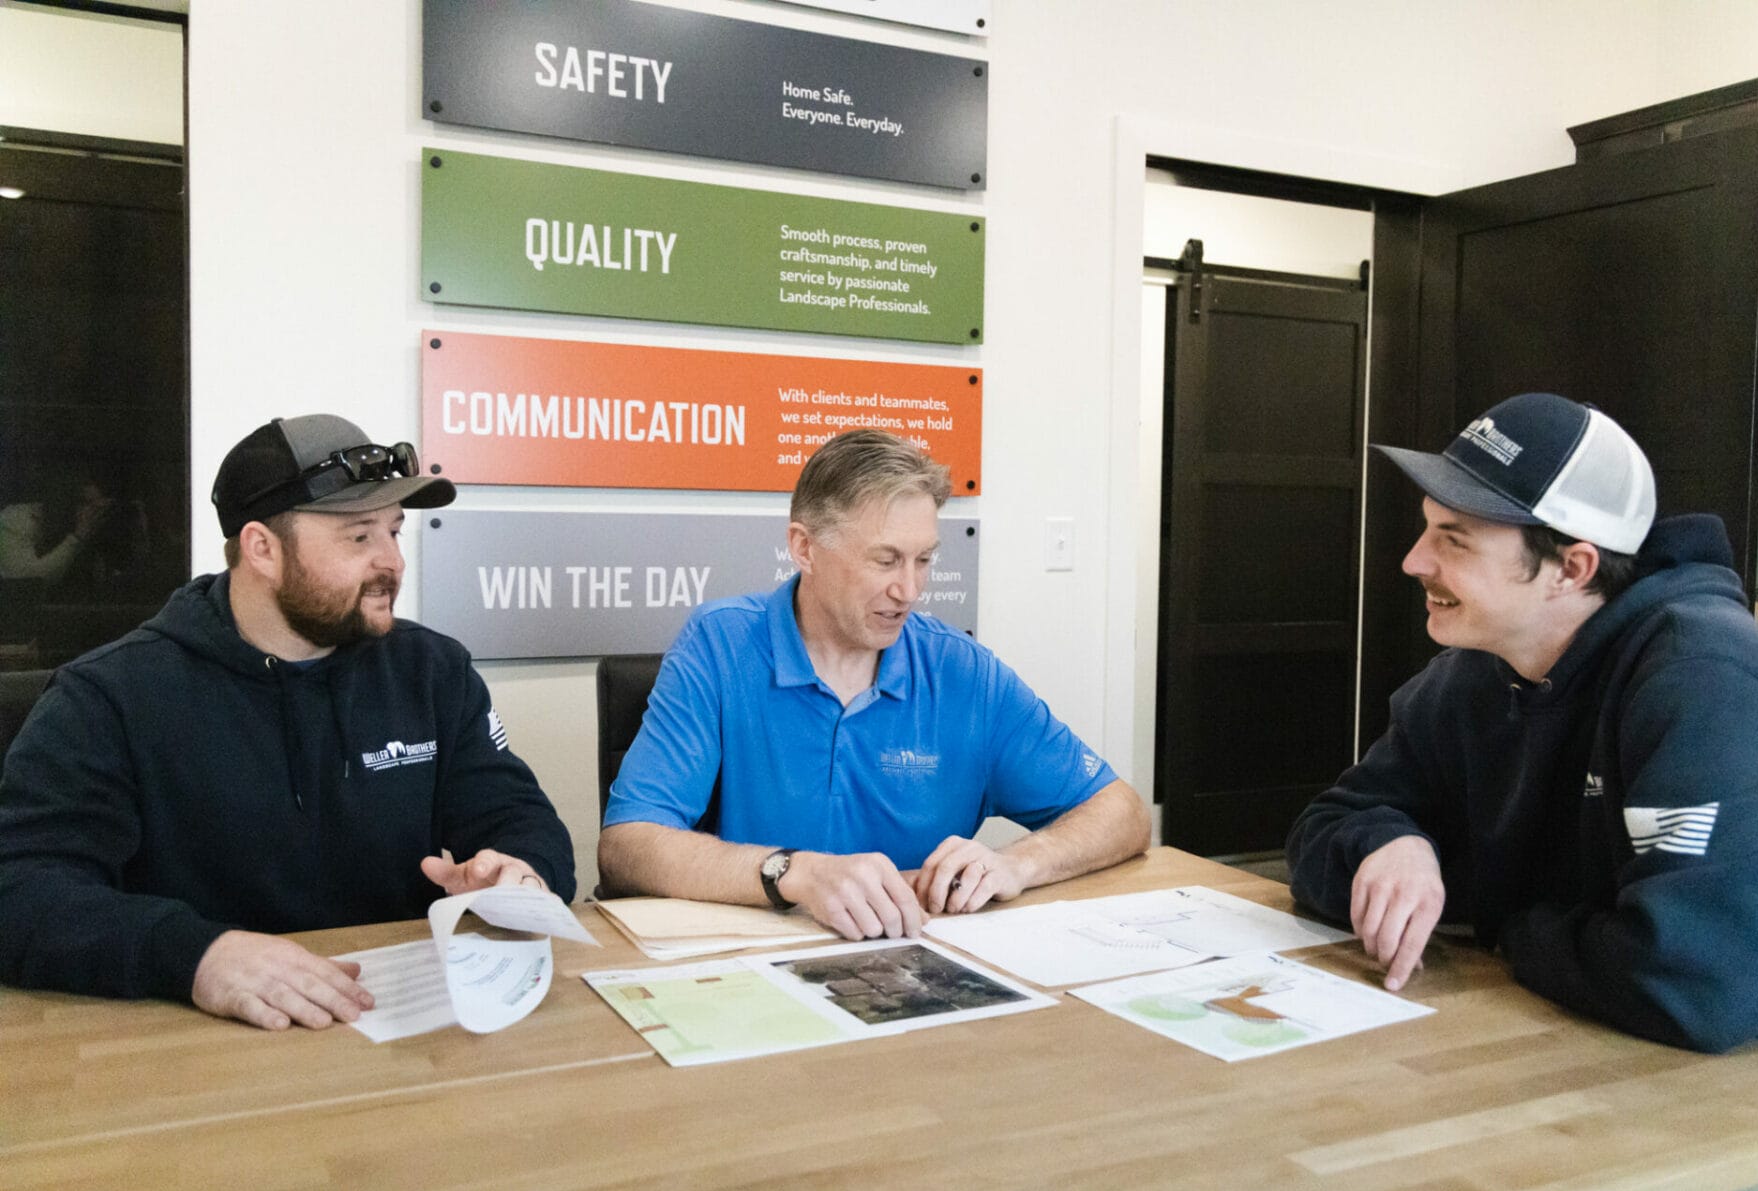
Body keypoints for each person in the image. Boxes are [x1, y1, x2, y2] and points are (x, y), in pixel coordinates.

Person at [0, 415, 576, 1031]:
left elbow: (520, 818)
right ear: (263, 550)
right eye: (359, 538)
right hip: (198, 1041)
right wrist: (197, 954)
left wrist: (515, 871)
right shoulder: (110, 695)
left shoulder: (433, 670)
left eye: (394, 532)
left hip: (401, 1026)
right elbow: (20, 888)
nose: (392, 563)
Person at [1287, 392, 1758, 1053]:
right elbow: (1320, 830)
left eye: (1454, 539)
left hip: (1752, 1102)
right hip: (1569, 1046)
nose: (1414, 561)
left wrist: (1507, 927)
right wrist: (1389, 844)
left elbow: (1691, 987)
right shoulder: (1478, 667)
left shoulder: (1707, 681)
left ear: (1572, 568)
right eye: (1426, 527)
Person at [598, 430, 1150, 940]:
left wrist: (1017, 863)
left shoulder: (962, 673)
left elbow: (1121, 812)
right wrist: (793, 871)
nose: (909, 590)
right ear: (804, 547)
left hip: (921, 970)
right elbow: (627, 847)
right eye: (885, 560)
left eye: (924, 560)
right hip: (754, 967)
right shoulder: (720, 647)